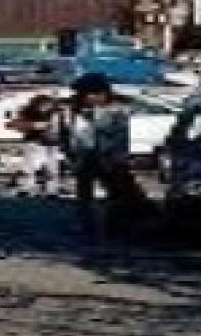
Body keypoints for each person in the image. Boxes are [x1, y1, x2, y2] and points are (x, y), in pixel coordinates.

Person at [60, 72, 152, 239]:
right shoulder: (71, 112)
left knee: (117, 194)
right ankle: (87, 226)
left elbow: (119, 136)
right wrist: (69, 153)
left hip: (109, 159)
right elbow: (67, 134)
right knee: (85, 196)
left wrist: (118, 158)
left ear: (103, 93)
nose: (87, 97)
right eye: (84, 94)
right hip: (84, 158)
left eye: (91, 94)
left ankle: (114, 227)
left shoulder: (116, 110)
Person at [6, 93, 64, 196]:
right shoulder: (28, 111)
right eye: (42, 105)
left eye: (47, 105)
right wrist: (32, 125)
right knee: (30, 166)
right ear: (36, 104)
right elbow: (11, 124)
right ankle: (26, 188)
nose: (44, 108)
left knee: (52, 168)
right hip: (34, 142)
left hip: (53, 143)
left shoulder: (58, 112)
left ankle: (51, 190)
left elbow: (65, 127)